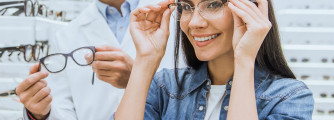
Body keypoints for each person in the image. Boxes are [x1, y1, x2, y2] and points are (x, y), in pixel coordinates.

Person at [115, 0, 314, 119]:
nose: (194, 23)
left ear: (250, 9)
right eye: (186, 6)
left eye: (213, 4)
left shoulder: (289, 98)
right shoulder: (164, 88)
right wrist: (145, 58)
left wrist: (244, 59)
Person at [15, 0, 182, 119]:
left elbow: (198, 94)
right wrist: (41, 114)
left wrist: (137, 77)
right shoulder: (66, 36)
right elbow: (63, 110)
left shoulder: (176, 16)